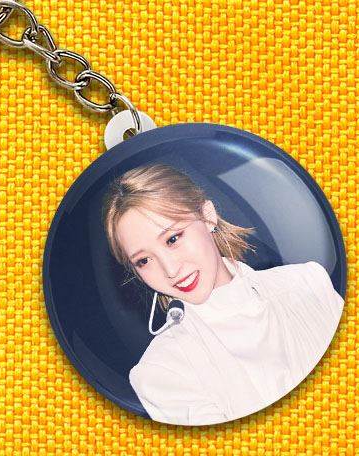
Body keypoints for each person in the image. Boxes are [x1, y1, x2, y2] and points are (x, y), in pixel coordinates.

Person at [101, 162, 344, 425]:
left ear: (208, 217)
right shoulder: (160, 372)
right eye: (144, 261)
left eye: (173, 239)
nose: (170, 270)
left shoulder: (307, 283)